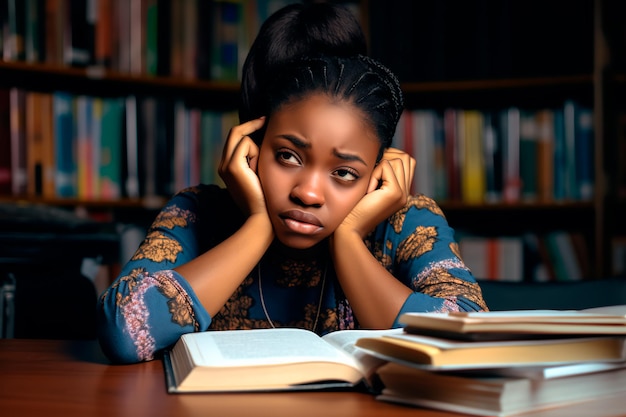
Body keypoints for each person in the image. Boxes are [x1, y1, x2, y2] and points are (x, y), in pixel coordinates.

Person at [97, 6, 487, 365]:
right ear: (253, 147)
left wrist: (349, 238)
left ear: (378, 172)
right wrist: (257, 225)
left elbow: (470, 338)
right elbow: (124, 334)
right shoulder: (196, 212)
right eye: (288, 156)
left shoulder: (406, 222)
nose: (308, 193)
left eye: (345, 172)